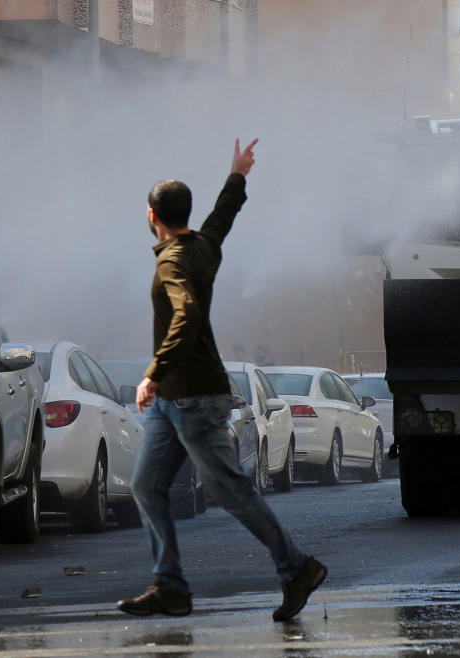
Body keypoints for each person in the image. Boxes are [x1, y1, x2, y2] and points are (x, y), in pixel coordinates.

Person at [118, 139, 326, 622]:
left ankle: (296, 568)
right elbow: (222, 218)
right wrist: (237, 175)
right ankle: (169, 586)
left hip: (193, 397)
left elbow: (185, 314)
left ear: (152, 214)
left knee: (232, 492)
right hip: (177, 401)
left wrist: (152, 373)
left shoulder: (171, 260)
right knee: (147, 487)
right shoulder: (202, 246)